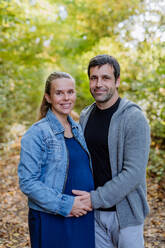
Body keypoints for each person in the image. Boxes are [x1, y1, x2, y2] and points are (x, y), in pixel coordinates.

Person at [73, 54, 150, 248]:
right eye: (94, 78)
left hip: (125, 215)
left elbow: (133, 173)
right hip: (94, 214)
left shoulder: (133, 118)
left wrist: (94, 199)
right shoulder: (85, 116)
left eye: (105, 78)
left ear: (117, 81)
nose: (99, 83)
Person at [18, 72, 95, 248]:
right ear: (48, 97)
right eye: (59, 93)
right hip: (52, 217)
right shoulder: (36, 133)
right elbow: (28, 182)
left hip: (83, 216)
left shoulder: (78, 129)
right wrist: (67, 205)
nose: (66, 98)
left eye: (71, 92)